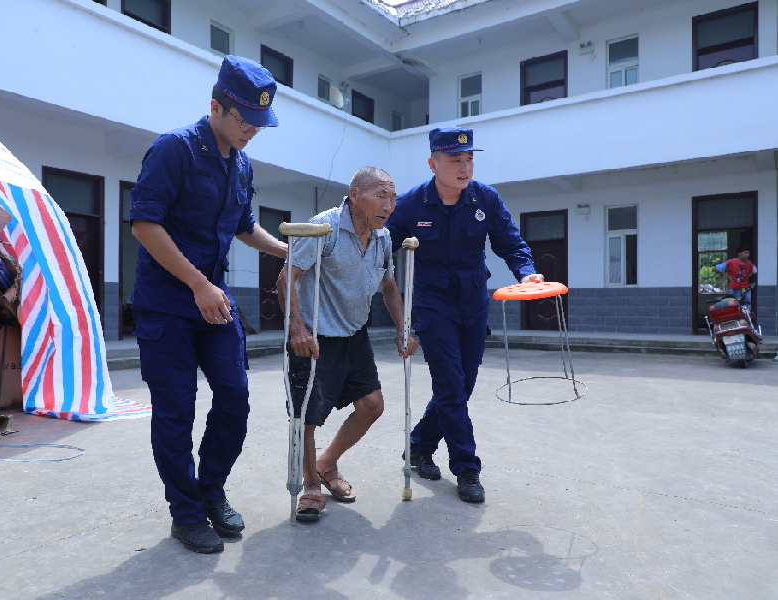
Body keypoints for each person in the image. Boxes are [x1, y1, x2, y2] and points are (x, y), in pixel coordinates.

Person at [129, 56, 288, 554]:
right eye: (244, 122)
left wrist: (288, 249)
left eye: (259, 125)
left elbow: (244, 225)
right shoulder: (173, 150)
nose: (251, 132)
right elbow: (145, 224)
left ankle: (209, 487)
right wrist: (199, 285)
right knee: (176, 412)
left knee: (235, 399)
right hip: (169, 305)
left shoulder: (241, 162)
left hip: (213, 305)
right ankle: (186, 513)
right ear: (215, 106)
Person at [386, 127, 542, 503]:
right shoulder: (410, 205)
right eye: (455, 160)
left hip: (473, 303)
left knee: (463, 385)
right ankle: (467, 468)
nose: (464, 166)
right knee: (451, 386)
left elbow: (509, 241)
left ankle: (420, 445)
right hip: (432, 304)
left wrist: (526, 271)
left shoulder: (485, 199)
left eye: (469, 158)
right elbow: (382, 248)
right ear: (433, 163)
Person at [276, 167, 419, 521]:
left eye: (393, 197)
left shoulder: (383, 237)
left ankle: (327, 463)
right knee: (308, 418)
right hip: (316, 336)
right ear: (355, 195)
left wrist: (403, 328)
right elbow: (285, 278)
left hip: (354, 334)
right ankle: (310, 487)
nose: (390, 205)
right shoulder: (324, 228)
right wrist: (297, 329)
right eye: (381, 195)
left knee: (372, 405)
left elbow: (388, 286)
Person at [716, 245, 757, 310]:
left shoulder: (749, 262)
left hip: (745, 288)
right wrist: (727, 276)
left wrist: (749, 274)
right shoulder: (731, 262)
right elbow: (716, 269)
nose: (747, 255)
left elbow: (755, 270)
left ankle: (746, 318)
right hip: (734, 288)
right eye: (745, 253)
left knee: (747, 303)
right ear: (739, 253)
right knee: (733, 304)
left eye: (748, 253)